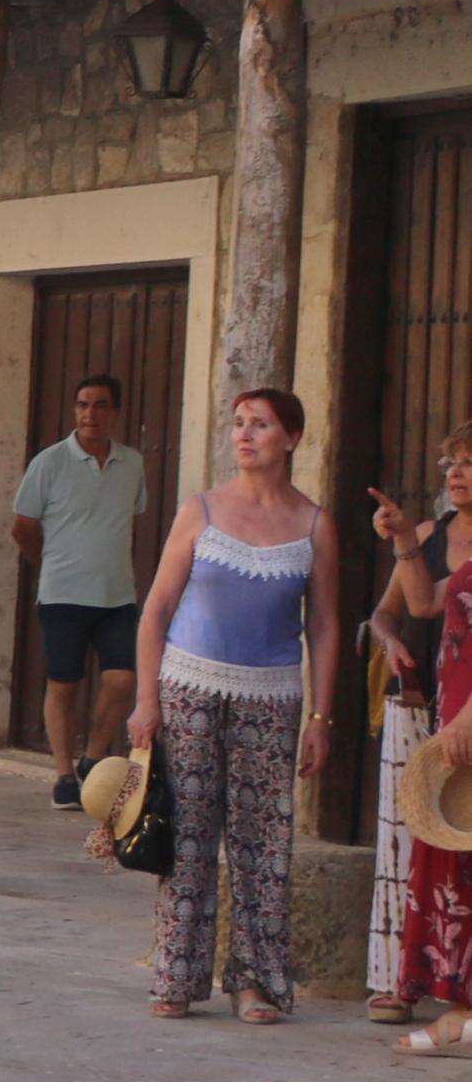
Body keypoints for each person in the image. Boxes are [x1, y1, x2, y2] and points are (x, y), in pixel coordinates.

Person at [127, 388, 338, 1026]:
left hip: (272, 698)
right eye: (239, 423)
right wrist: (145, 701)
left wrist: (322, 717)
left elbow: (325, 625)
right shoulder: (201, 510)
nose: (245, 435)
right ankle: (175, 975)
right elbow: (157, 609)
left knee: (263, 842)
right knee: (187, 835)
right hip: (188, 687)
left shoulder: (313, 524)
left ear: (292, 438)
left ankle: (257, 983)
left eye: (261, 425)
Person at [370, 431, 472, 1031]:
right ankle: (442, 985)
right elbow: (424, 603)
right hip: (452, 703)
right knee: (445, 845)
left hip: (468, 709)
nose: (457, 473)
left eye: (471, 464)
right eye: (452, 464)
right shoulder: (445, 534)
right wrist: (407, 538)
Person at [13, 374, 151, 810]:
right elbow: (22, 528)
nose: (90, 414)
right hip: (62, 595)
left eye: (100, 405)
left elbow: (130, 520)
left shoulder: (133, 463)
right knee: (64, 684)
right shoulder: (48, 463)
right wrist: (53, 565)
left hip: (117, 596)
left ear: (116, 412)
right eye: (82, 404)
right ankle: (63, 774)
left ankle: (93, 757)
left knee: (121, 679)